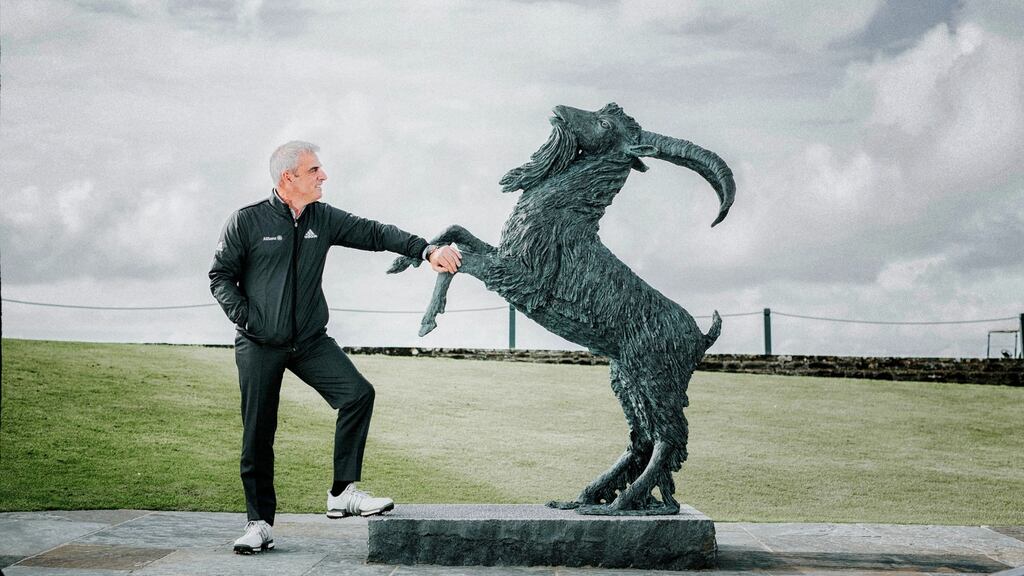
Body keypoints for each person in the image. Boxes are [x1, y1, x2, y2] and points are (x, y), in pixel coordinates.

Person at [209, 141, 461, 554]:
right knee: (258, 432)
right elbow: (220, 276)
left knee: (357, 394)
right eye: (314, 171)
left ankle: (342, 493)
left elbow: (376, 232)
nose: (323, 176)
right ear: (288, 178)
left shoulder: (322, 218)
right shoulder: (247, 221)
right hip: (259, 344)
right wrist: (250, 319)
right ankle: (259, 524)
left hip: (309, 340)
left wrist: (425, 250)